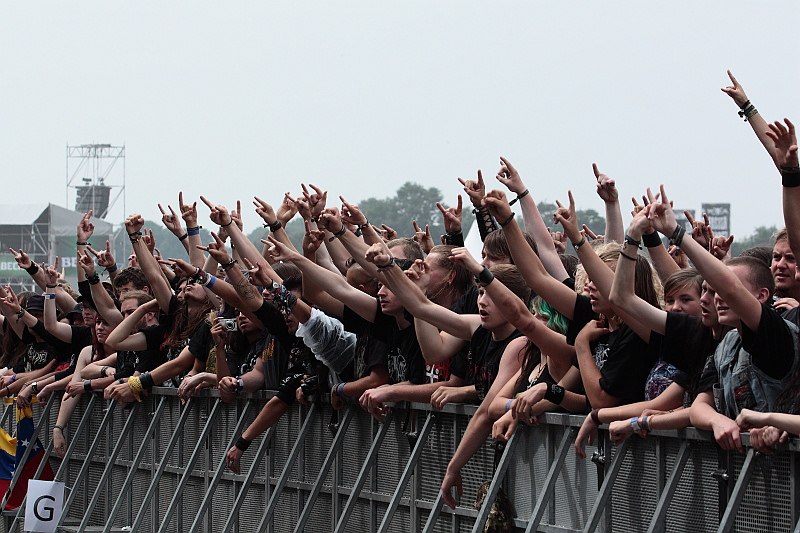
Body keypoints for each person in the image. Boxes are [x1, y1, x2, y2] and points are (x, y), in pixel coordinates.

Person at [363, 240, 527, 509]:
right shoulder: (480, 327)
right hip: (490, 449)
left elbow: (486, 413)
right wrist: (404, 278)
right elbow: (430, 339)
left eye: (491, 295)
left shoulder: (519, 344)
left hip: (523, 456)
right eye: (481, 293)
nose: (482, 301)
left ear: (515, 302)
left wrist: (453, 466)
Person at [646, 185, 799, 452]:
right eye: (709, 289)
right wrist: (719, 421)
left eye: (721, 289)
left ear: (762, 296)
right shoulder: (727, 345)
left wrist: (677, 234)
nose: (717, 297)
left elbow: (730, 286)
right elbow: (700, 406)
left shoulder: (777, 335)